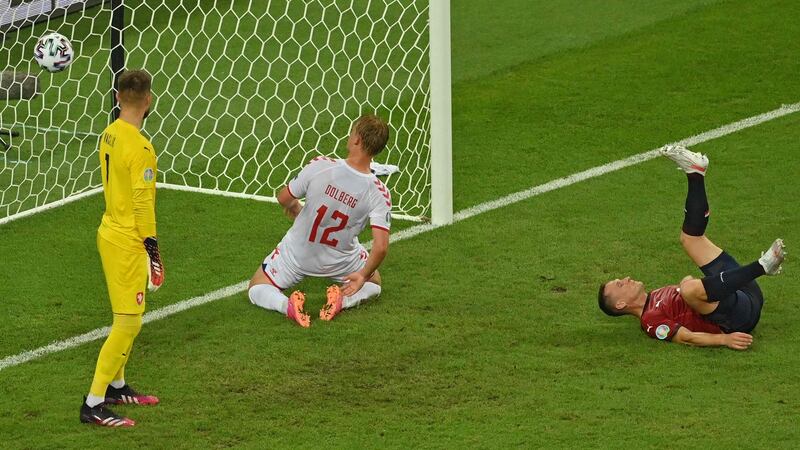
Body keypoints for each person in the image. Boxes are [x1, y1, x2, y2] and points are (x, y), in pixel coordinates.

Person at [598, 145, 786, 350]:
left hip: (743, 294)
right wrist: (723, 340)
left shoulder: (658, 294)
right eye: (620, 285)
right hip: (738, 319)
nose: (625, 279)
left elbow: (692, 285)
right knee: (688, 288)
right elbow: (686, 337)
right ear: (620, 305)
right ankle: (762, 266)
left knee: (690, 240)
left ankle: (695, 173)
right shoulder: (650, 321)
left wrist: (689, 286)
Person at [248, 115, 392, 327]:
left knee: (257, 286)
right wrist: (362, 276)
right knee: (374, 283)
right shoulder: (380, 193)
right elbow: (380, 247)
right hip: (341, 261)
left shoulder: (321, 166)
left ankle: (287, 306)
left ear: (356, 140)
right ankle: (343, 300)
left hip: (297, 255)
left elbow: (284, 198)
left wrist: (295, 207)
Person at [80, 70, 163, 427]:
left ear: (117, 97)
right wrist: (154, 253)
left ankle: (116, 386)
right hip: (128, 243)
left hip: (109, 232)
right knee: (128, 323)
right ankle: (93, 403)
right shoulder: (142, 149)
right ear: (148, 100)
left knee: (128, 318)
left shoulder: (109, 133)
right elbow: (143, 206)